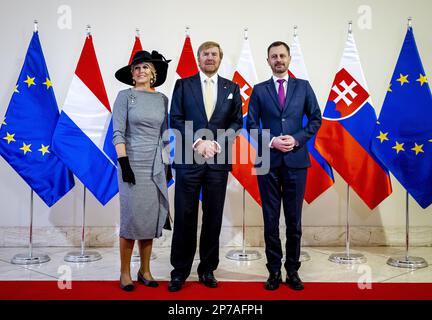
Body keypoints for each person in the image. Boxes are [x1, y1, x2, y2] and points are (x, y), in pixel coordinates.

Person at [246, 41, 322, 291]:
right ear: (267, 61)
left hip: (296, 161)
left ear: (289, 59)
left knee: (293, 221)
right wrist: (271, 141)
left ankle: (292, 270)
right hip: (267, 161)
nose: (278, 60)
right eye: (273, 56)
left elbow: (315, 118)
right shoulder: (259, 90)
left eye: (282, 55)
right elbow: (251, 124)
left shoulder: (303, 87)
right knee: (270, 219)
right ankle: (274, 271)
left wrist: (298, 138)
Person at [168, 41, 242, 292]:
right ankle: (179, 271)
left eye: (214, 54)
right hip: (189, 160)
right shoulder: (183, 84)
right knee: (185, 216)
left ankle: (207, 269)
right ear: (198, 59)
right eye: (205, 54)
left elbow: (236, 122)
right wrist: (198, 142)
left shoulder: (232, 88)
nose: (210, 58)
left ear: (220, 58)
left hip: (217, 161)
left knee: (213, 217)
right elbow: (175, 118)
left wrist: (216, 143)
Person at [113, 50, 171, 291]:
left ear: (153, 73)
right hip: (131, 161)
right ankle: (124, 272)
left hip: (154, 164)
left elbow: (165, 135)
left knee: (148, 219)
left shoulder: (162, 99)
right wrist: (124, 162)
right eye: (136, 68)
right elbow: (118, 132)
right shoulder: (124, 96)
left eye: (145, 67)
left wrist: (166, 163)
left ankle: (145, 270)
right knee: (131, 219)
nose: (140, 71)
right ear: (132, 74)